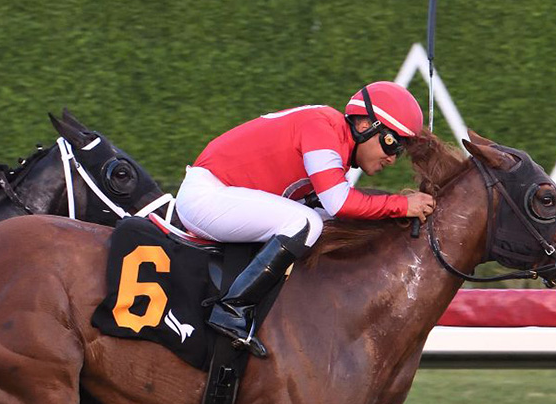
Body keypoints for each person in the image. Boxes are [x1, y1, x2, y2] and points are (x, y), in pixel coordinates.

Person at [174, 80, 436, 357]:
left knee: (319, 222)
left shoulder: (333, 142)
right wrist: (401, 205)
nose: (392, 158)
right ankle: (232, 310)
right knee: (306, 223)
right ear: (363, 125)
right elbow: (340, 203)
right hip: (207, 197)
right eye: (391, 143)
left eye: (398, 150)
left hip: (220, 195)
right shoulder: (322, 127)